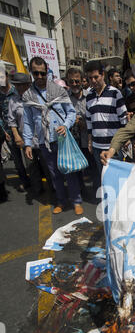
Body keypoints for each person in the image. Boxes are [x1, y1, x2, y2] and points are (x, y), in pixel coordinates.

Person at [23, 56, 84, 215]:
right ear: (31, 73)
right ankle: (61, 201)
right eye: (36, 73)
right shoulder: (29, 95)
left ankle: (76, 201)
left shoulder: (58, 90)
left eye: (42, 73)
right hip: (44, 142)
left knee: (69, 170)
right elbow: (28, 122)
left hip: (62, 139)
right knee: (54, 174)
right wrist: (28, 143)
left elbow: (71, 112)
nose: (40, 77)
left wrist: (65, 125)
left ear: (47, 71)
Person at [7, 72, 53, 198]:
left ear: (28, 85)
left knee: (47, 165)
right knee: (31, 166)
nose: (20, 88)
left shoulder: (37, 97)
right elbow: (12, 121)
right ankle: (37, 189)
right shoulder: (13, 100)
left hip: (42, 138)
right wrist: (17, 136)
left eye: (23, 85)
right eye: (17, 85)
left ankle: (53, 187)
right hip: (27, 141)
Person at [85, 60, 128, 191]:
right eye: (90, 78)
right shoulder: (89, 96)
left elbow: (123, 118)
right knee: (104, 178)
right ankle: (109, 205)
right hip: (97, 147)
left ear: (102, 75)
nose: (93, 81)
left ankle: (120, 206)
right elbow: (89, 121)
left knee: (116, 179)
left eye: (96, 77)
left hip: (113, 148)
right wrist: (90, 141)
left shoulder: (115, 93)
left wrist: (124, 139)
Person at [66, 67, 97, 197]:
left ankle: (97, 192)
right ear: (67, 82)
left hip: (89, 140)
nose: (74, 84)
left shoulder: (90, 96)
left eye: (77, 81)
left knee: (93, 168)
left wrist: (86, 122)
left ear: (82, 81)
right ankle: (81, 191)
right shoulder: (65, 98)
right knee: (76, 168)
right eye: (71, 81)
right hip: (73, 141)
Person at [0, 69, 31, 192]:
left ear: (7, 77)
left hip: (24, 130)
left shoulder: (16, 91)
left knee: (29, 158)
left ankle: (35, 180)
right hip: (8, 132)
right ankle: (24, 181)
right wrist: (4, 131)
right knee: (17, 161)